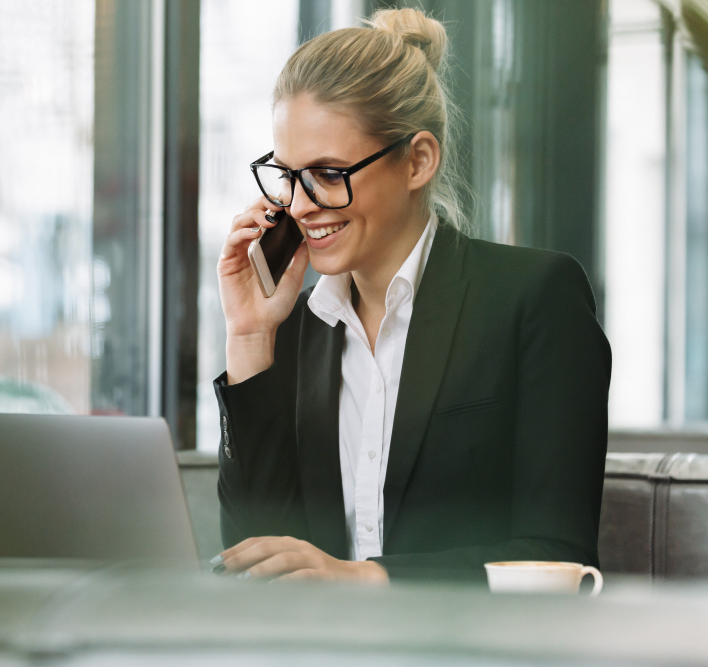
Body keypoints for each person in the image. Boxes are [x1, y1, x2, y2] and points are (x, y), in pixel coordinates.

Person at [209, 7, 611, 583]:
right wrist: (249, 336)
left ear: (418, 160)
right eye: (288, 175)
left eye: (328, 173)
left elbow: (562, 561)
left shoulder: (534, 299)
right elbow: (254, 559)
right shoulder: (296, 330)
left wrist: (371, 581)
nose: (298, 206)